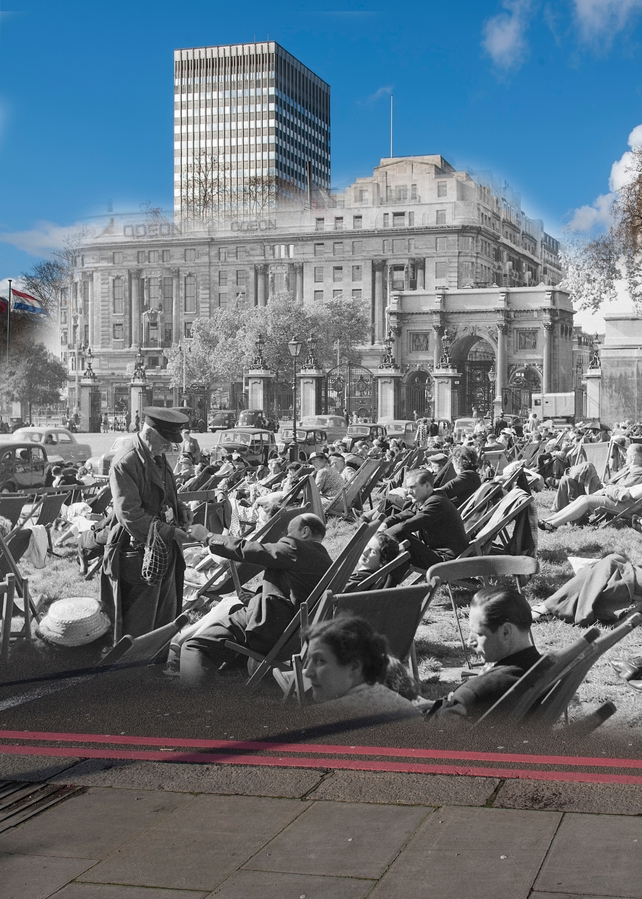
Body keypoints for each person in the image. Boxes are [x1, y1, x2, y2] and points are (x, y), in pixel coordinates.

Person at [180, 513, 332, 687]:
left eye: (288, 533)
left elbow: (250, 550)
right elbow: (297, 594)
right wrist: (256, 597)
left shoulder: (296, 547)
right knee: (233, 608)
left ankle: (193, 704)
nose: (284, 538)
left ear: (304, 532)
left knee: (194, 646)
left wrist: (208, 537)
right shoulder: (325, 561)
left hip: (270, 630)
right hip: (295, 637)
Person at [101, 407, 192, 643]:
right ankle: (133, 673)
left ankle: (156, 667)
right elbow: (129, 515)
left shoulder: (157, 456)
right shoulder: (126, 461)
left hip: (163, 546)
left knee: (165, 614)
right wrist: (170, 532)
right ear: (149, 432)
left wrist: (182, 510)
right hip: (137, 551)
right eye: (165, 440)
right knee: (139, 622)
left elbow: (169, 495)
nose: (169, 447)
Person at [424, 586, 541, 722]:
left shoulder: (476, 692)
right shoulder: (542, 667)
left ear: (506, 632)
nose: (469, 642)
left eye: (479, 633)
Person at [303, 615, 420, 716]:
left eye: (320, 661)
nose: (308, 672)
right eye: (308, 660)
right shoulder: (406, 708)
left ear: (354, 666)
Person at [540, 442, 642, 529]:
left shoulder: (638, 472)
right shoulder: (627, 469)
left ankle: (553, 524)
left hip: (620, 502)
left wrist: (605, 488)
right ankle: (550, 520)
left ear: (633, 457)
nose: (624, 457)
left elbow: (624, 490)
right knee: (578, 492)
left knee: (588, 468)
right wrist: (606, 486)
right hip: (609, 493)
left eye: (627, 455)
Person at [382, 468, 468, 569]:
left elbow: (408, 525)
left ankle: (380, 580)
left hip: (447, 560)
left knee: (398, 536)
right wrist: (385, 524)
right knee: (397, 541)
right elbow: (403, 515)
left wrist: (381, 536)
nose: (408, 492)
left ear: (427, 486)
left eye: (412, 487)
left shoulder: (436, 503)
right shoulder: (427, 499)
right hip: (437, 553)